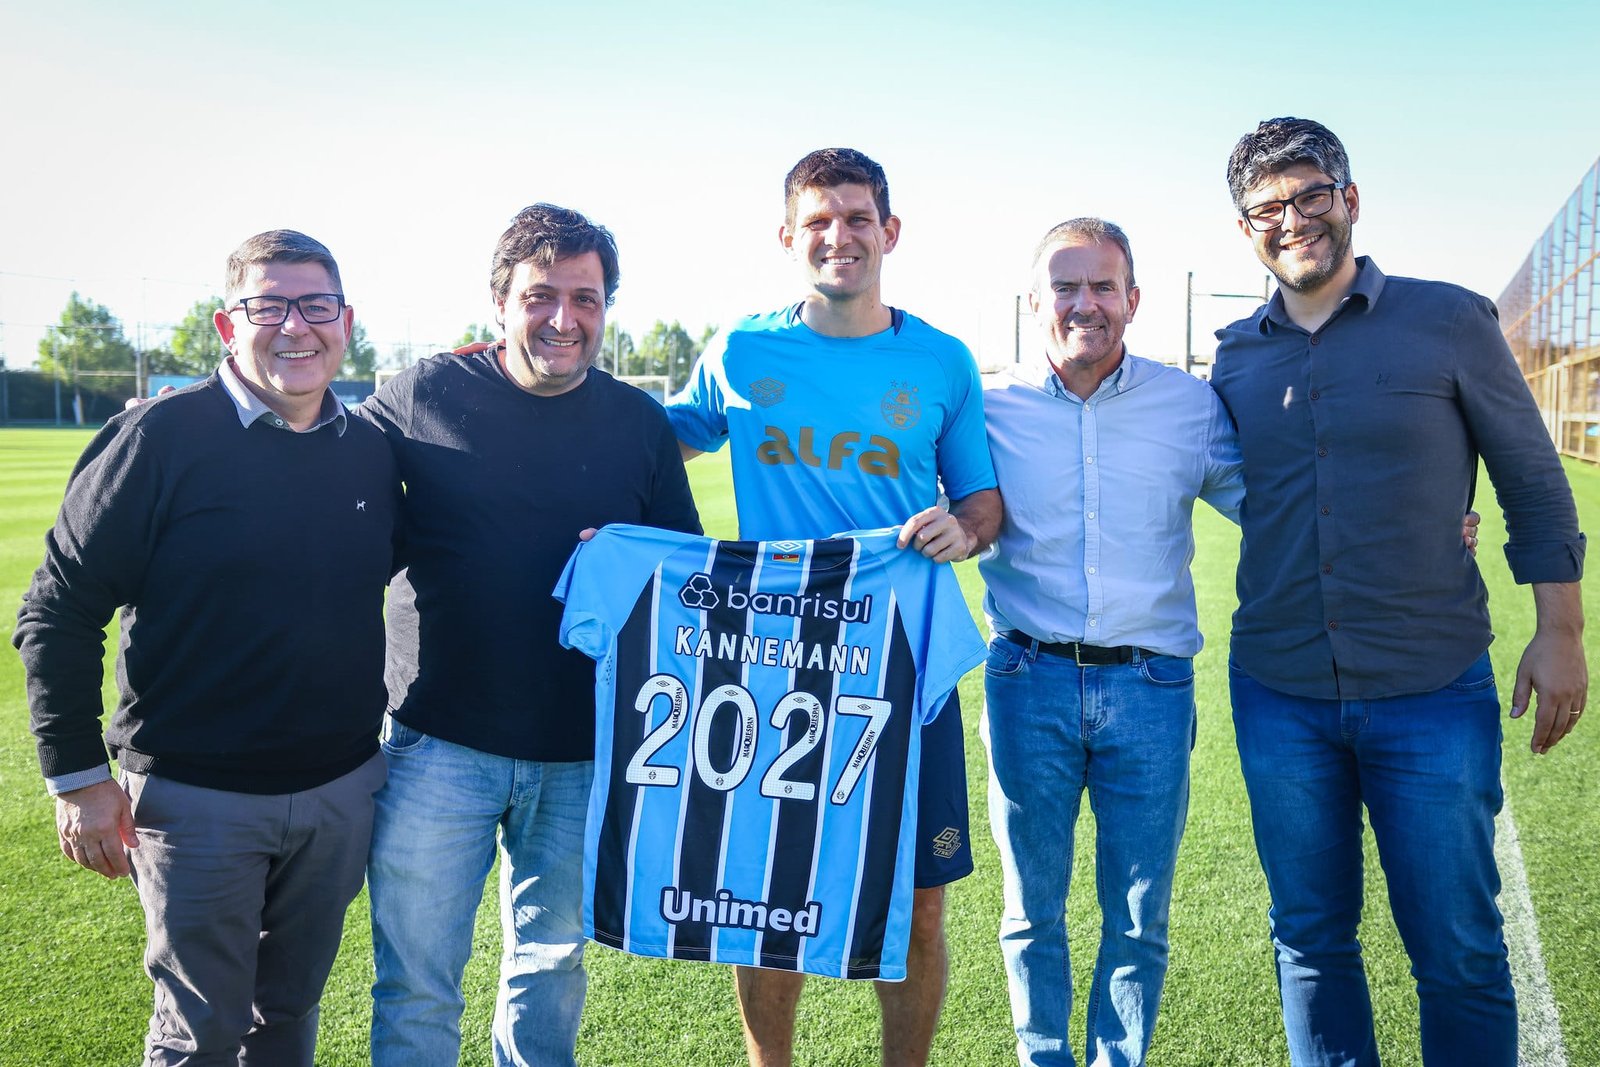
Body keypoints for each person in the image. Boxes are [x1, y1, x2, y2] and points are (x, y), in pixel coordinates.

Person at [1212, 116, 1587, 1067]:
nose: (1291, 220)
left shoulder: (1450, 318)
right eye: (1266, 208)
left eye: (1308, 196)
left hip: (1429, 686)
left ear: (1349, 200)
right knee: (1308, 940)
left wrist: (1561, 630)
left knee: (1456, 947)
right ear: (1245, 226)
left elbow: (1532, 478)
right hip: (1280, 689)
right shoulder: (1234, 355)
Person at [14, 231, 399, 1066]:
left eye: (316, 305)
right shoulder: (159, 438)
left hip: (338, 792)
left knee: (290, 1017)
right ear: (229, 326)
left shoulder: (370, 449)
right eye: (269, 306)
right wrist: (79, 779)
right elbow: (58, 608)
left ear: (347, 322)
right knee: (199, 1031)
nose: (296, 326)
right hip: (198, 801)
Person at [666, 147, 1002, 1067]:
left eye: (857, 218)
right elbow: (648, 443)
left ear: (889, 232)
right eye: (818, 220)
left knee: (919, 897)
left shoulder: (941, 360)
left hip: (904, 661)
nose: (839, 236)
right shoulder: (740, 350)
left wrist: (964, 532)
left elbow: (983, 499)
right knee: (766, 895)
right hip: (770, 667)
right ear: (788, 237)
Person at [361, 203, 701, 1067]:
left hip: (582, 750)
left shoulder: (639, 422)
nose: (564, 319)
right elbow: (330, 521)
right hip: (437, 743)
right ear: (499, 302)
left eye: (586, 300)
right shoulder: (417, 397)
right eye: (541, 295)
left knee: (550, 964)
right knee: (418, 979)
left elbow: (686, 574)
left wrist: (629, 563)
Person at [979, 218, 1242, 1067]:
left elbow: (1281, 506)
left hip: (1152, 691)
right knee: (1031, 907)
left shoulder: (1191, 407)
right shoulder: (988, 409)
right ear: (1034, 301)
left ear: (1133, 299)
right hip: (1027, 679)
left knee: (1139, 915)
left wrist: (1422, 517)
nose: (1083, 303)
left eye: (1102, 286)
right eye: (1065, 285)